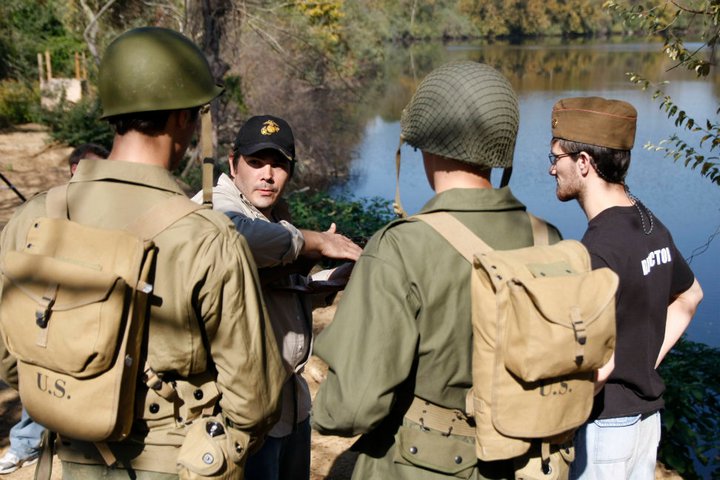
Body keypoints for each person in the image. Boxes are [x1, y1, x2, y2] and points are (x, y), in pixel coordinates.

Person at [0, 26, 285, 478]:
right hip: (170, 462)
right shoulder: (207, 237)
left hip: (63, 461)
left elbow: (10, 358)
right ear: (181, 119)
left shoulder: (32, 217)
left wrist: (76, 395)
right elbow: (257, 399)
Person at [311, 61, 562, 479]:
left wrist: (317, 409)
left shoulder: (403, 246)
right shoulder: (546, 238)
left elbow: (350, 407)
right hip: (518, 461)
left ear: (425, 142)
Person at [192, 114, 361, 480]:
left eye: (279, 164)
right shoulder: (214, 204)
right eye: (256, 163)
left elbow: (261, 290)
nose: (267, 175)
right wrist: (315, 240)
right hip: (242, 407)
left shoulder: (271, 214)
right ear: (233, 162)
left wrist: (320, 284)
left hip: (291, 401)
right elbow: (237, 237)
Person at [548, 96, 704, 479]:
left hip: (603, 432)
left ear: (583, 163)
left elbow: (600, 369)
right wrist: (644, 361)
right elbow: (690, 296)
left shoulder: (596, 252)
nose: (552, 170)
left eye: (556, 158)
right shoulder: (648, 223)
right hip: (646, 425)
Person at [0, 142, 110, 475]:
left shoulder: (107, 210)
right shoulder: (44, 210)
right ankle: (26, 445)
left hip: (90, 312)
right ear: (74, 170)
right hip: (47, 311)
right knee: (41, 376)